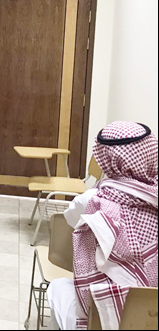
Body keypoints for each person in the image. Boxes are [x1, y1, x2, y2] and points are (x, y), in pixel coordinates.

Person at [47, 121, 158, 330]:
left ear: (107, 159)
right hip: (151, 315)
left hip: (101, 317)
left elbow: (68, 219)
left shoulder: (92, 200)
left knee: (57, 287)